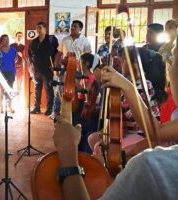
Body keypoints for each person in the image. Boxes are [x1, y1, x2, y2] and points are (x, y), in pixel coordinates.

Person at [53, 44, 178, 200]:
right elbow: (157, 131)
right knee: (95, 140)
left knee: (98, 146)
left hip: (136, 134)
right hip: (130, 131)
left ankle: (96, 178)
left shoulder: (150, 165)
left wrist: (68, 155)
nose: (168, 68)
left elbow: (154, 131)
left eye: (172, 61)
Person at [89, 47, 167, 156]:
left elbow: (132, 114)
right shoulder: (130, 82)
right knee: (93, 138)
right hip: (127, 131)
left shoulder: (144, 84)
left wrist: (119, 101)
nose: (121, 62)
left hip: (140, 134)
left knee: (102, 150)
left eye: (125, 60)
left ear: (135, 65)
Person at [50, 20, 92, 119]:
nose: (72, 28)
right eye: (72, 26)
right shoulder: (65, 39)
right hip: (65, 69)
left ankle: (73, 112)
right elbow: (59, 53)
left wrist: (86, 69)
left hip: (78, 70)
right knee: (60, 89)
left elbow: (88, 56)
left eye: (75, 26)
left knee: (75, 90)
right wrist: (56, 66)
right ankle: (56, 112)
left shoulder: (85, 40)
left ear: (80, 29)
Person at [29, 22, 59, 116]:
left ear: (45, 29)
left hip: (48, 68)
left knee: (49, 89)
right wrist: (31, 65)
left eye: (40, 28)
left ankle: (50, 109)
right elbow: (30, 54)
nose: (38, 30)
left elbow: (57, 53)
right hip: (37, 69)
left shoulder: (51, 39)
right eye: (37, 28)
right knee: (37, 89)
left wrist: (54, 64)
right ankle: (37, 107)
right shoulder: (34, 41)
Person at [159, 19, 178, 124]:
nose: (168, 31)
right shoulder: (163, 48)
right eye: (167, 29)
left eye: (171, 28)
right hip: (166, 80)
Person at [0, 34, 17, 113]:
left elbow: (15, 60)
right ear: (1, 41)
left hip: (11, 72)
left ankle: (10, 106)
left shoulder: (13, 50)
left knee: (10, 90)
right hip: (1, 72)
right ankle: (1, 107)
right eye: (5, 39)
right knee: (1, 90)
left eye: (8, 39)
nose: (7, 41)